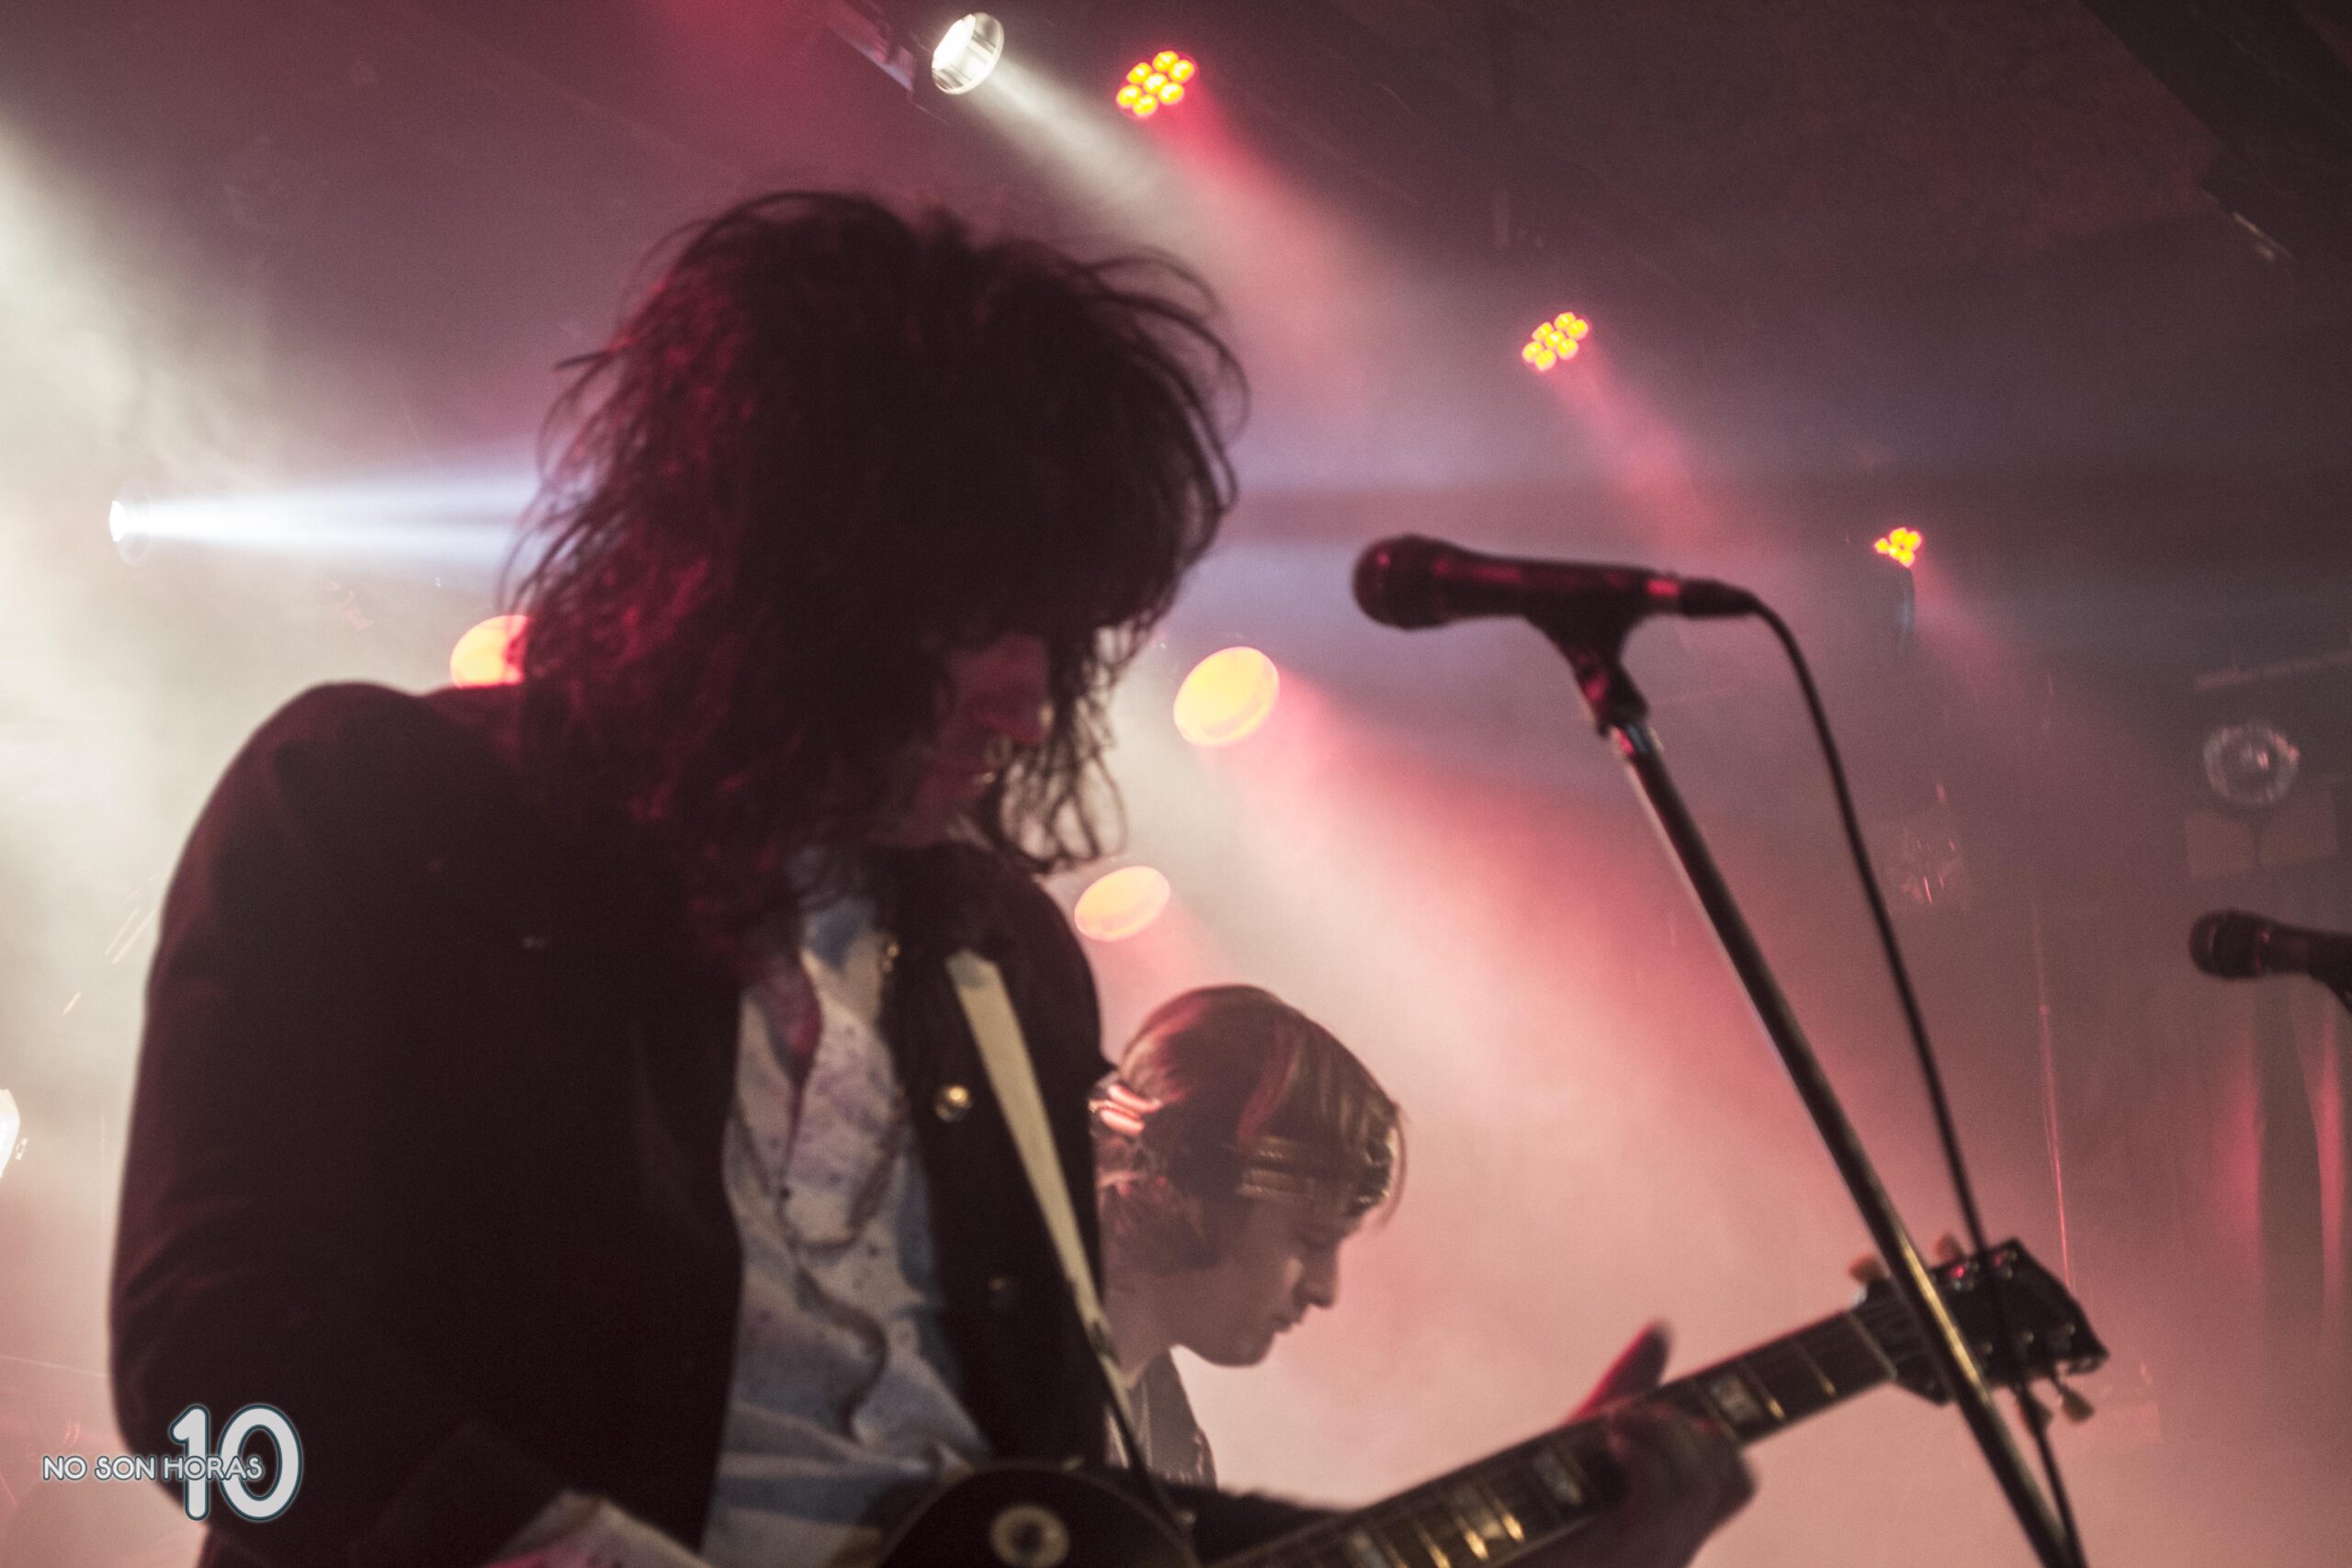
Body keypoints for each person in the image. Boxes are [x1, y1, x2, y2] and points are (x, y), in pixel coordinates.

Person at [109, 191, 1749, 1568]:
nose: (1029, 700)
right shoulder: (379, 804)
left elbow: (1052, 1513)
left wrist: (1514, 1542)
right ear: (789, 575)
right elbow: (203, 1371)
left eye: (1060, 631)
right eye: (982, 618)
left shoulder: (1000, 956)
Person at [1091, 985, 1405, 1488]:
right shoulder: (989, 1370)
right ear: (1185, 1187)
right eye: (1310, 1240)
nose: (1326, 1290)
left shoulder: (1180, 1457)